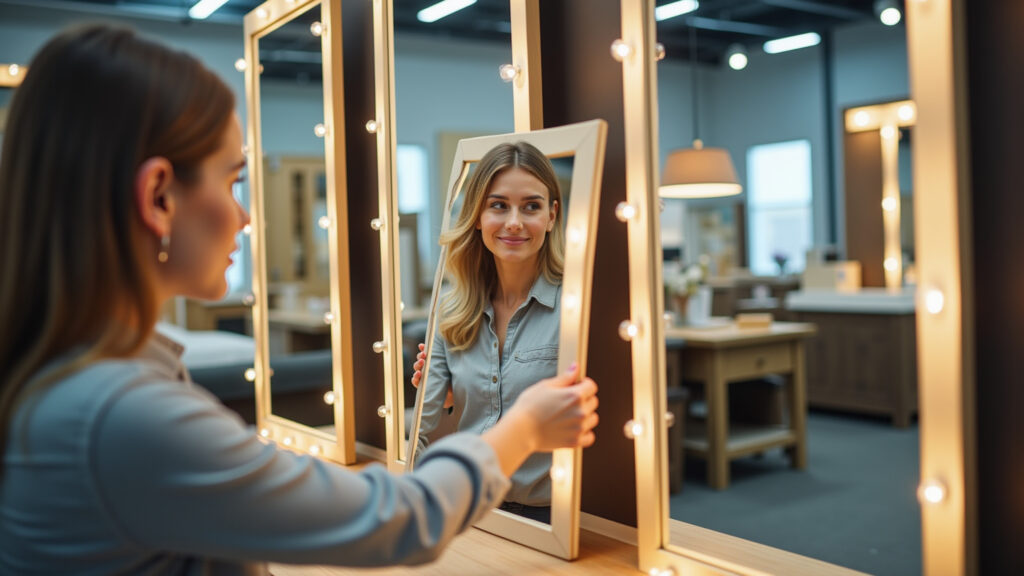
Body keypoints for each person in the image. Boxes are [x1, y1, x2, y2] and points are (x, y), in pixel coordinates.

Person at [0, 25, 599, 574]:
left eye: (530, 206)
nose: (245, 217)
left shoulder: (81, 384)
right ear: (159, 197)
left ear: (553, 215)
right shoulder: (121, 416)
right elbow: (402, 521)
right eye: (233, 181)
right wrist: (525, 427)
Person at [412, 141, 567, 523]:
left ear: (551, 215)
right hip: (469, 510)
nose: (514, 222)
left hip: (554, 521)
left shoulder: (575, 307)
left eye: (530, 206)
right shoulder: (450, 309)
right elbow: (423, 431)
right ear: (478, 215)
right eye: (498, 205)